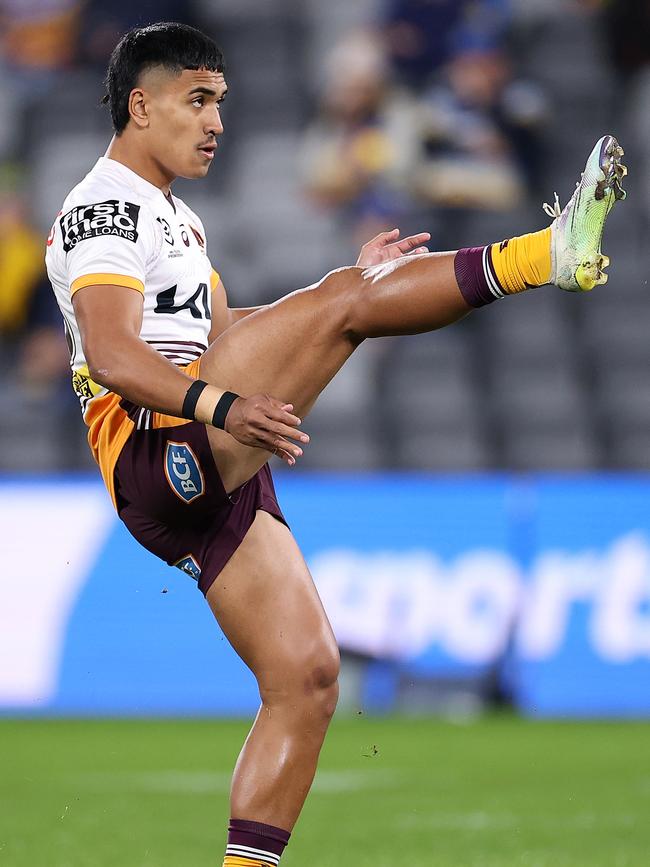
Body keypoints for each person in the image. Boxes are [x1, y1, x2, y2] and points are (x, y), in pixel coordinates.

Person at [45, 21, 626, 867]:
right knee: (350, 299)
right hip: (161, 442)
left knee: (308, 680)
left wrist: (325, 306)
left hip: (203, 458)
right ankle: (549, 252)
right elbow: (115, 354)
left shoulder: (178, 220)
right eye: (196, 100)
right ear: (141, 105)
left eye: (222, 102)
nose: (215, 121)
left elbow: (217, 331)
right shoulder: (105, 207)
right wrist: (233, 395)